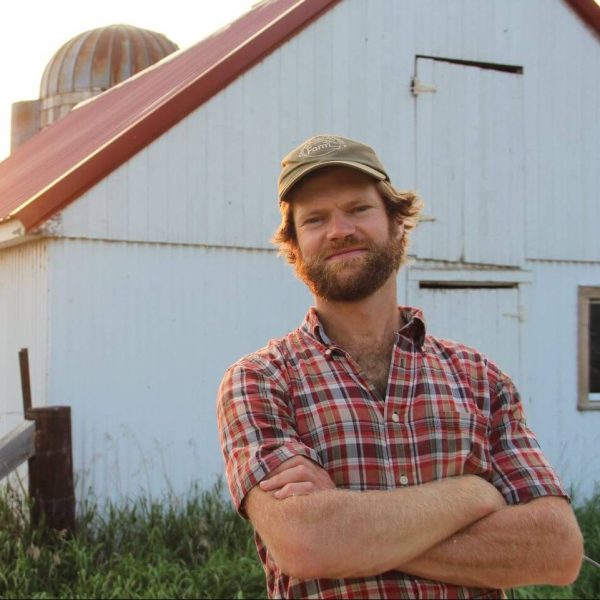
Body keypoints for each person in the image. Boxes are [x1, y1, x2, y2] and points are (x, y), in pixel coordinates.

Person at [217, 134, 583, 599]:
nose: (339, 230)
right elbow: (304, 545)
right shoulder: (261, 380)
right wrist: (472, 494)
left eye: (358, 209)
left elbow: (556, 550)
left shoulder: (481, 379)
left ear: (397, 224)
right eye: (315, 219)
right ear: (295, 246)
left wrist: (347, 531)